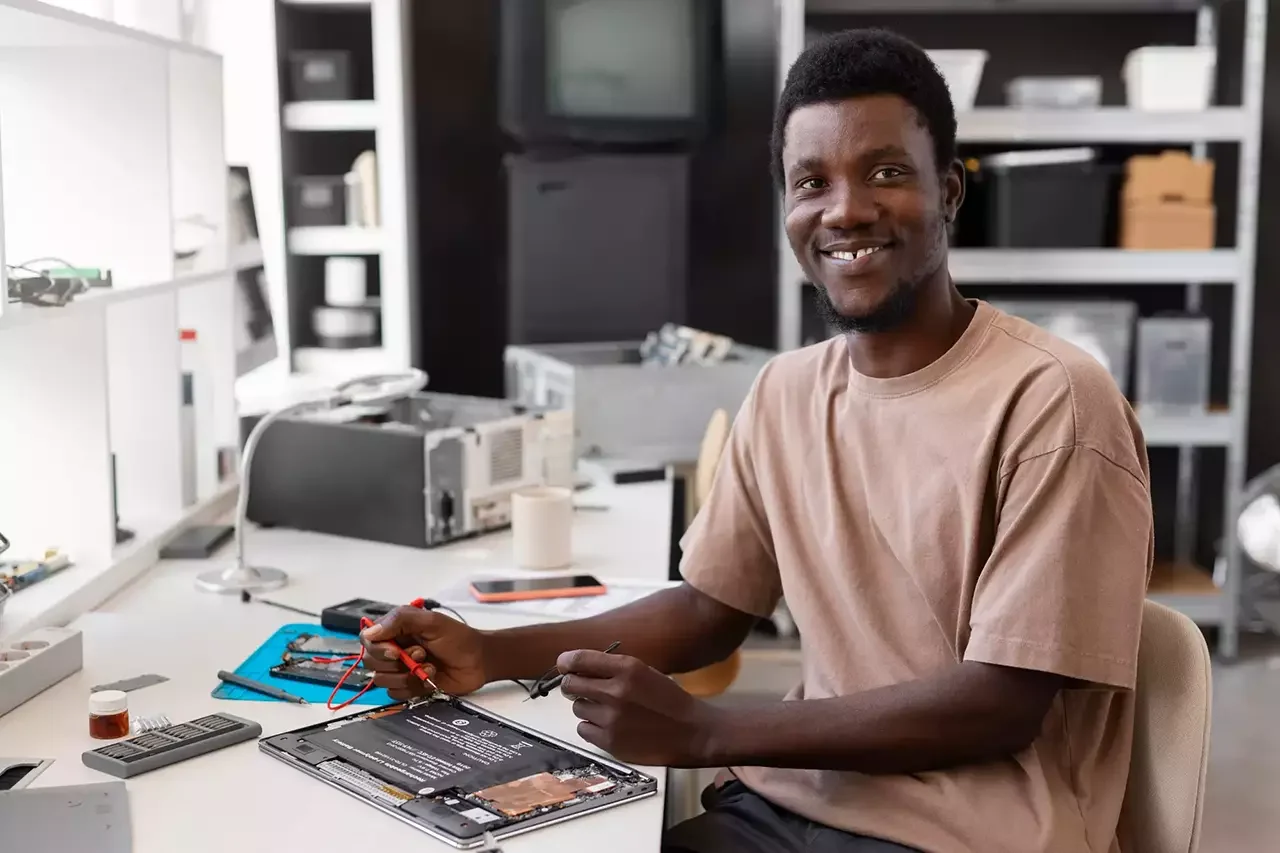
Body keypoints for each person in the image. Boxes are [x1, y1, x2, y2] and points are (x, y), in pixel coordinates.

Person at [361, 28, 1153, 853]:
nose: (845, 209)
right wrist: (488, 650)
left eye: (886, 171)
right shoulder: (786, 391)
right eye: (812, 181)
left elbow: (1001, 704)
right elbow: (709, 610)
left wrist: (707, 732)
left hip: (971, 832)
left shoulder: (1053, 399)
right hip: (795, 803)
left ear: (949, 191)